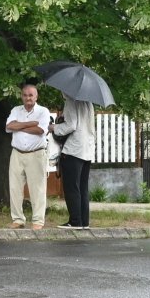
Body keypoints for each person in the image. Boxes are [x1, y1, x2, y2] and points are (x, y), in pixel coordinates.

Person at [5, 80, 51, 229]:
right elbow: (9, 126)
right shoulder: (16, 110)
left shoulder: (43, 111)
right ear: (21, 96)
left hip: (36, 154)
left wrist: (19, 126)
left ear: (36, 96)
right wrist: (30, 123)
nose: (28, 98)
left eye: (31, 95)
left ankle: (38, 221)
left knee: (37, 188)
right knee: (15, 188)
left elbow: (40, 130)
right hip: (17, 153)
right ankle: (18, 219)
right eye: (25, 95)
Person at [53, 91, 96, 228]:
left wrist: (54, 127)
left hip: (73, 149)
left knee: (71, 187)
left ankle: (75, 221)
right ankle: (84, 221)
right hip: (87, 150)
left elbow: (71, 125)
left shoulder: (71, 101)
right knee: (82, 187)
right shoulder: (88, 102)